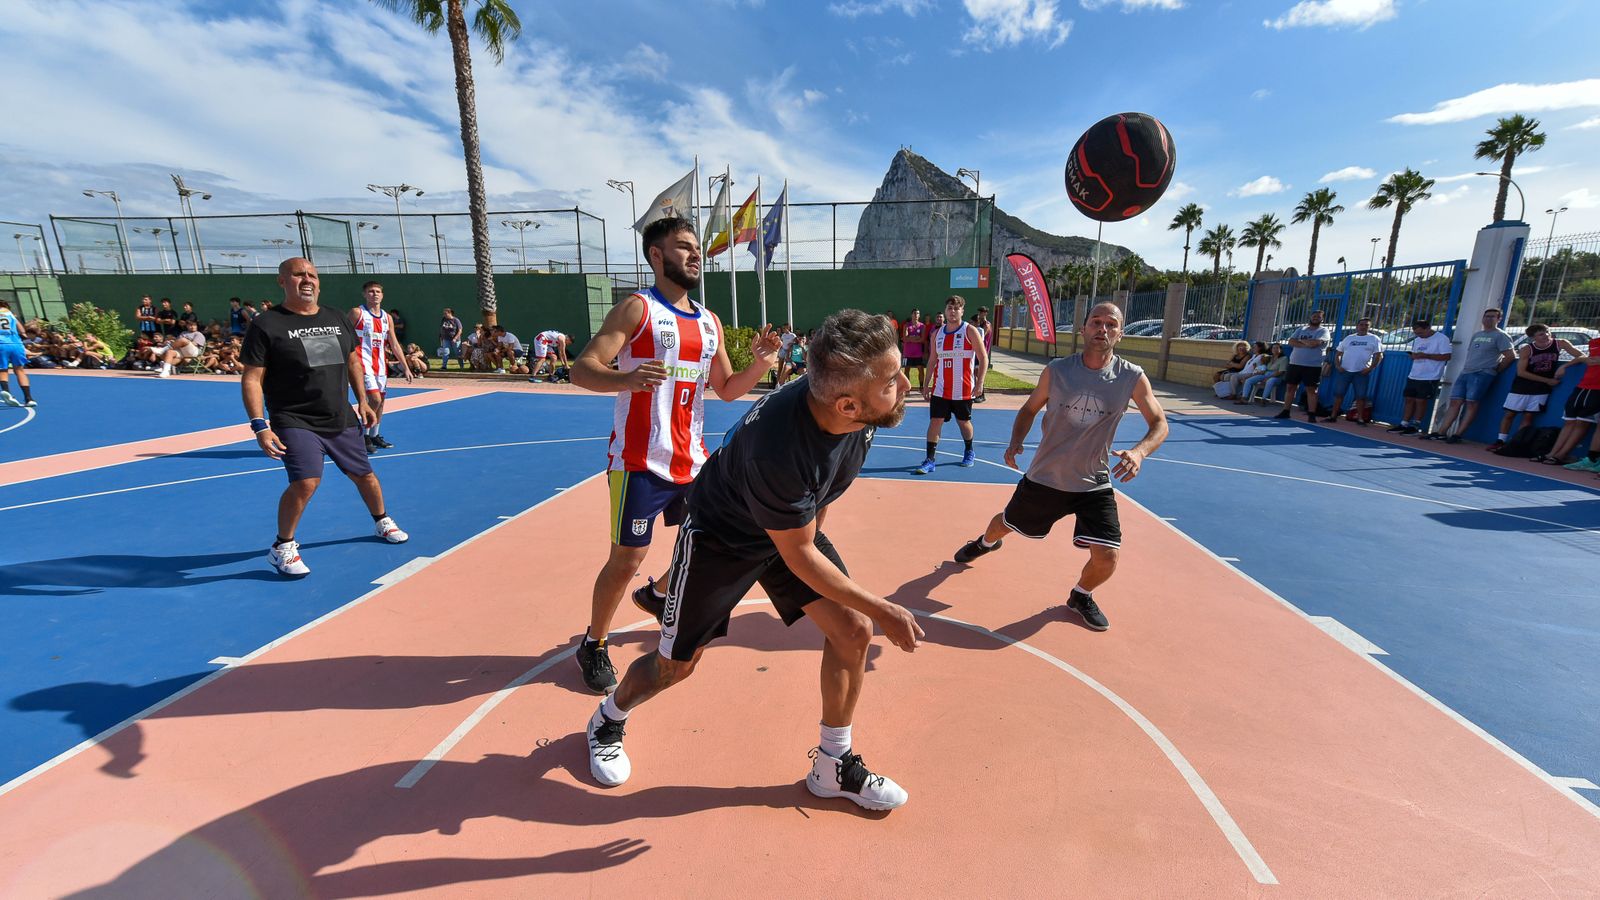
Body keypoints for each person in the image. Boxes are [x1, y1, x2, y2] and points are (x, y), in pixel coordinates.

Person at [583, 308, 922, 811]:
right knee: (676, 667)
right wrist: (884, 606)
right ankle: (607, 719)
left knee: (852, 630)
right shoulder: (780, 451)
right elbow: (801, 554)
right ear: (848, 404)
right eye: (892, 379)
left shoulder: (859, 416)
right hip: (723, 539)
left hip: (788, 531)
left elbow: (819, 502)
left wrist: (827, 579)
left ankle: (832, 765)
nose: (906, 383)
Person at [569, 215, 781, 695]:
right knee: (626, 558)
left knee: (718, 537)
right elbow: (583, 369)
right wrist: (623, 379)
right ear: (656, 255)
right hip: (639, 461)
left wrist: (762, 364)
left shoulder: (709, 322)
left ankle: (659, 593)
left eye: (696, 248)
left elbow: (726, 389)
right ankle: (594, 643)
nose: (695, 255)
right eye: (683, 247)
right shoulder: (635, 310)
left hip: (693, 461)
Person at [950, 302, 1168, 632]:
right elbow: (1029, 409)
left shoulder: (1131, 377)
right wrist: (1015, 442)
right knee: (1005, 524)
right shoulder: (1058, 370)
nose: (1103, 329)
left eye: (1111, 324)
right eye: (1096, 322)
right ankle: (984, 542)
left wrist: (1139, 453)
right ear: (1083, 329)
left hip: (1093, 482)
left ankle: (1081, 595)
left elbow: (1160, 423)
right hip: (1046, 477)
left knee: (1108, 556)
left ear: (1120, 334)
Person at [242, 258, 408, 576]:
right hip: (294, 417)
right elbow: (252, 378)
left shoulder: (335, 317)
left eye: (312, 275)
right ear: (282, 281)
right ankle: (282, 547)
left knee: (365, 475)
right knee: (306, 482)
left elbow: (353, 361)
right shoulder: (267, 324)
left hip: (340, 415)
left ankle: (381, 520)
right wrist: (260, 425)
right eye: (298, 274)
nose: (307, 280)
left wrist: (363, 400)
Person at [915, 295, 989, 473]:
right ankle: (929, 459)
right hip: (940, 389)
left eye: (956, 308)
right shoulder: (936, 334)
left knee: (963, 422)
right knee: (935, 422)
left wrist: (980, 384)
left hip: (963, 389)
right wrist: (926, 385)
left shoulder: (969, 331)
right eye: (950, 308)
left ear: (962, 311)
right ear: (945, 310)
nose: (952, 311)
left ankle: (969, 450)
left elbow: (983, 357)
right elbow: (932, 361)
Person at [1489, 324, 1583, 452]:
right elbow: (1521, 372)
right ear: (1533, 338)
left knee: (1529, 416)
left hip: (1541, 389)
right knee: (1510, 414)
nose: (1546, 336)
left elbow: (1581, 356)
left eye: (1547, 332)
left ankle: (1518, 442)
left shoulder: (1560, 343)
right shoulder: (1527, 349)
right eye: (1541, 334)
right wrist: (1547, 380)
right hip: (1522, 386)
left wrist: (1564, 367)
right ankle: (1500, 441)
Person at [1427, 307, 1514, 443]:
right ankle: (1441, 432)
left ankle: (1458, 434)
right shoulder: (1477, 335)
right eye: (1486, 316)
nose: (1488, 319)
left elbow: (1510, 356)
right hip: (1466, 372)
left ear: (1499, 319)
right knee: (1455, 402)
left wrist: (1495, 370)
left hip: (1482, 374)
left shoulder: (1501, 335)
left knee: (1471, 403)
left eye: (1492, 317)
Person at [349, 281, 414, 452]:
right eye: (371, 291)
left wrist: (405, 367)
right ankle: (362, 435)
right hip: (363, 363)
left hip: (380, 365)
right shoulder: (357, 313)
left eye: (378, 291)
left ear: (382, 295)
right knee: (374, 400)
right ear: (364, 294)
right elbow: (343, 335)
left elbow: (394, 343)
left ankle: (374, 435)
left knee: (382, 401)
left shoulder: (387, 317)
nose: (374, 294)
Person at [1537, 334, 1600, 466]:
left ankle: (1561, 455)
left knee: (1582, 423)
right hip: (1582, 386)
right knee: (1569, 421)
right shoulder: (1594, 342)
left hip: (1597, 389)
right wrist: (1564, 366)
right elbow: (1586, 358)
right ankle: (1552, 454)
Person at [1388, 318, 1452, 435]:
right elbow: (1416, 353)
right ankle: (1404, 423)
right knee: (1409, 399)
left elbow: (1447, 356)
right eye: (1416, 333)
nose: (1419, 335)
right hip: (1414, 374)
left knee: (1420, 400)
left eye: (1421, 333)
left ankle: (1415, 425)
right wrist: (1414, 356)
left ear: (1428, 328)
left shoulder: (1441, 339)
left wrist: (1426, 356)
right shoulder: (1417, 340)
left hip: (1430, 376)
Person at [1323, 318, 1383, 424]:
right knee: (1339, 394)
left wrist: (1370, 368)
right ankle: (1333, 416)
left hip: (1361, 373)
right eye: (1361, 324)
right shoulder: (1349, 338)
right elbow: (1338, 353)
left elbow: (1379, 355)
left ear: (1369, 327)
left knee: (1360, 396)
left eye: (1366, 325)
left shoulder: (1374, 339)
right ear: (1357, 326)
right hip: (1345, 371)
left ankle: (1360, 418)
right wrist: (1338, 365)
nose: (1363, 327)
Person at [1274, 308, 1329, 421]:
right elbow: (1291, 342)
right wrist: (1307, 343)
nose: (1315, 318)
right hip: (1295, 363)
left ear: (1322, 319)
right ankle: (1286, 411)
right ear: (1310, 317)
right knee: (1290, 387)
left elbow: (1315, 343)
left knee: (1311, 390)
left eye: (1318, 317)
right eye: (1314, 316)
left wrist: (1301, 342)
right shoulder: (1301, 329)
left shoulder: (1324, 331)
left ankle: (1312, 414)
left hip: (1312, 366)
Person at [0, 299, 36, 408]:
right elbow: (22, 330)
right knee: (20, 370)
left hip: (1, 344)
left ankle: (7, 392)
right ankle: (29, 398)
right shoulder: (10, 314)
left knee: (3, 370)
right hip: (16, 344)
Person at [901, 309, 925, 387]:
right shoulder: (907, 325)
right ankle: (907, 388)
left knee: (921, 369)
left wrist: (910, 338)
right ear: (911, 315)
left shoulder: (922, 326)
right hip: (907, 353)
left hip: (918, 353)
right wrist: (916, 337)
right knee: (906, 370)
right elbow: (904, 339)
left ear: (919, 315)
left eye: (917, 313)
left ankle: (921, 386)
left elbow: (922, 339)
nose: (916, 315)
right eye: (914, 313)